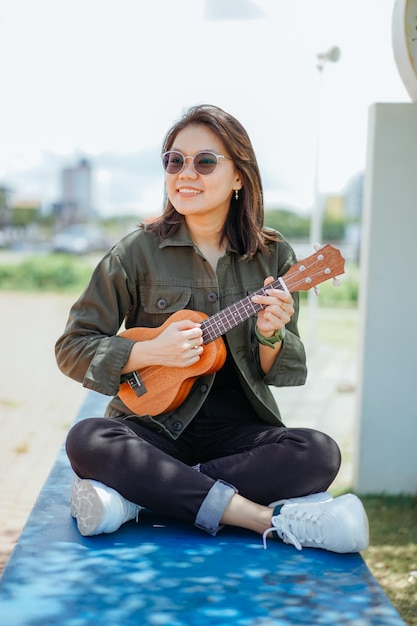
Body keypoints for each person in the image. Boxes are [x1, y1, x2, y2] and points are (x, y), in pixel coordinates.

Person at [55, 104, 368, 552]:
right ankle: (260, 517)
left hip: (235, 437)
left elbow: (276, 371)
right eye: (174, 160)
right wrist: (151, 353)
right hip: (151, 429)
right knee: (88, 439)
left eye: (205, 162)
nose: (186, 172)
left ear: (239, 176)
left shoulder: (274, 256)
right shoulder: (136, 251)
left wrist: (271, 334)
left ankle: (139, 499)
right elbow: (73, 346)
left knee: (318, 452)